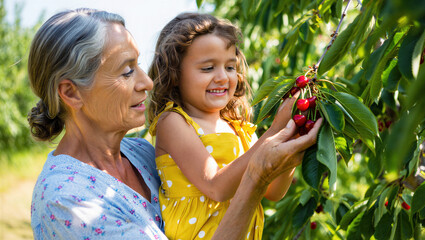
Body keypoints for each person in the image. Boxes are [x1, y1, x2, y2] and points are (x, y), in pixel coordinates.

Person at [27, 8, 322, 240]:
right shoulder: (68, 201)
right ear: (71, 92)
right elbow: (218, 186)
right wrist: (259, 170)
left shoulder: (140, 154)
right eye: (127, 72)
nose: (147, 82)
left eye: (139, 66)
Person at [147, 13, 302, 240]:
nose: (222, 77)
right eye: (208, 68)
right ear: (175, 74)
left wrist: (293, 133)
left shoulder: (240, 129)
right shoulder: (173, 122)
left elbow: (274, 191)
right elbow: (216, 187)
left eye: (230, 67)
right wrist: (274, 131)